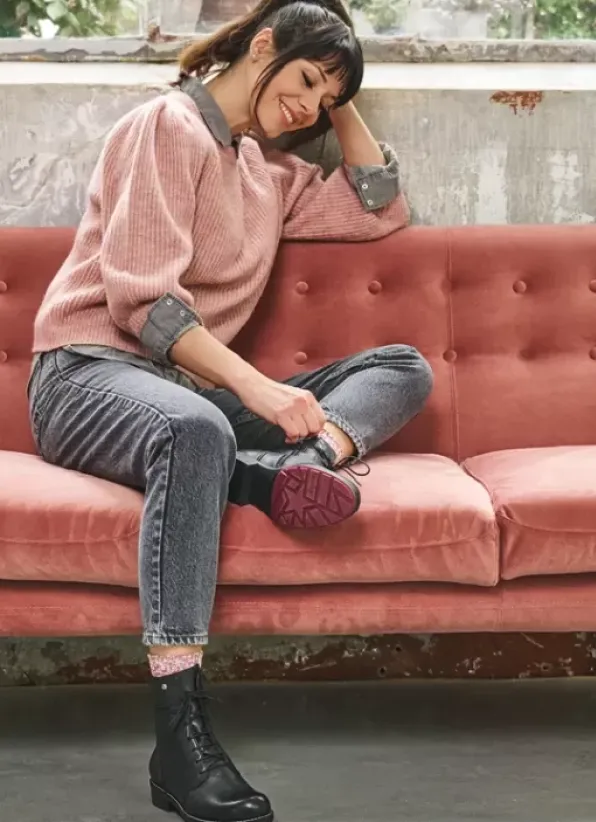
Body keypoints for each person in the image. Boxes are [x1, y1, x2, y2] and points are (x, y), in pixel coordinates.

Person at [28, 1, 433, 820]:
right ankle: (181, 741)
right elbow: (144, 304)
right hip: (86, 375)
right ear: (262, 44)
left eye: (326, 99)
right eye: (305, 80)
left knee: (402, 367)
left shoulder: (267, 174)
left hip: (186, 393)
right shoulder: (165, 126)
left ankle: (294, 466)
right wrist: (256, 387)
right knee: (195, 427)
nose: (309, 106)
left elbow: (380, 205)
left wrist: (342, 87)